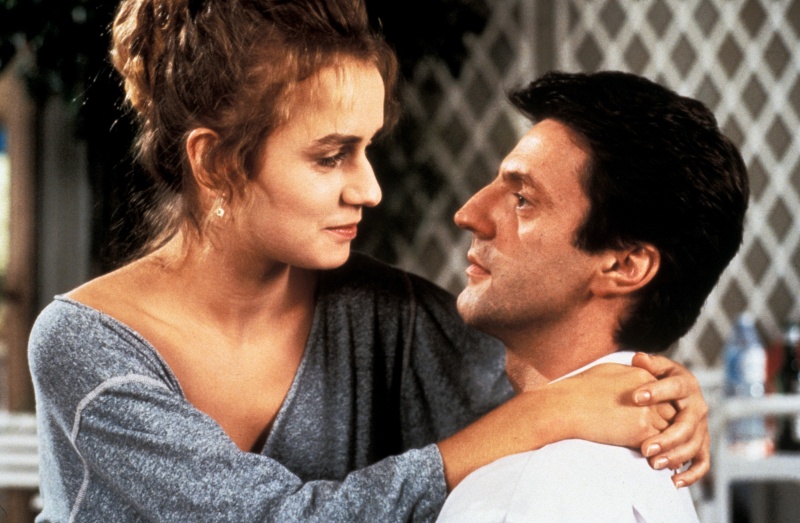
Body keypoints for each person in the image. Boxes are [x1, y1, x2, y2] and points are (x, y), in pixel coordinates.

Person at [28, 2, 710, 521]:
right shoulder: (84, 345)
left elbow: (568, 381)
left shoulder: (393, 317)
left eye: (368, 148)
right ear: (212, 162)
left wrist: (661, 391)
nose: (370, 189)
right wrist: (536, 419)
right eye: (332, 156)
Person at [436, 70, 748, 522]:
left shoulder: (526, 489)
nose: (469, 214)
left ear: (624, 266)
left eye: (522, 199)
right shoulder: (641, 470)